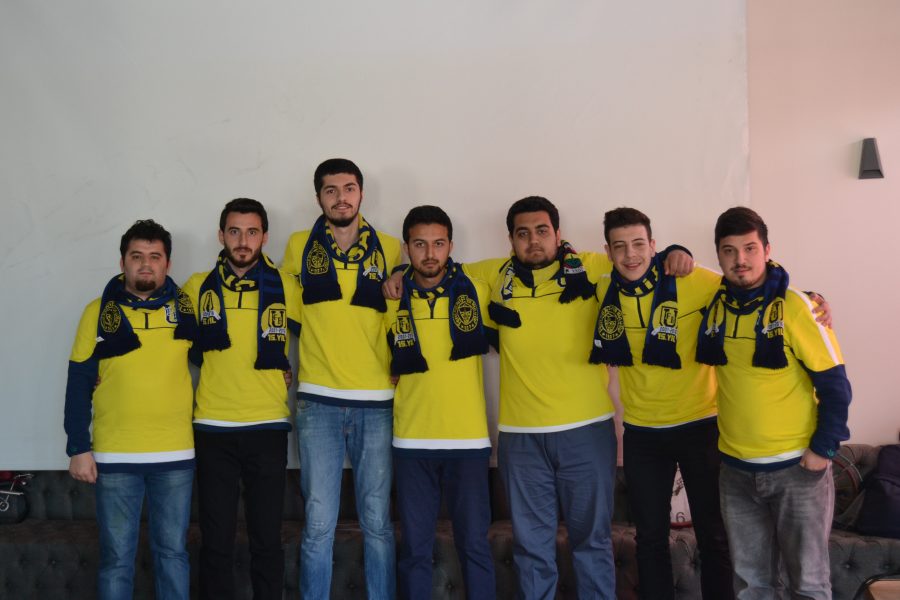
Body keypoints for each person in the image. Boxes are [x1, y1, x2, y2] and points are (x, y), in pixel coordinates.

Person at [465, 196, 693, 599]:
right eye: (523, 234)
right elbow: (436, 271)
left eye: (542, 231)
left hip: (586, 432)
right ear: (511, 240)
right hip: (521, 437)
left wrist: (677, 251)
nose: (533, 241)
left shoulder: (593, 267)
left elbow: (641, 260)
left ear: (558, 233)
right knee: (531, 547)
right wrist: (396, 274)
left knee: (592, 541)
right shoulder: (492, 276)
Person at [696, 206, 851, 600]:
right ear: (719, 257)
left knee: (808, 585)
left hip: (797, 470)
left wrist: (823, 449)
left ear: (767, 250)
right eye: (729, 251)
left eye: (750, 248)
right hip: (736, 472)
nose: (740, 259)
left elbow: (835, 385)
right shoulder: (714, 307)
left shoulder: (798, 307)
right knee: (751, 586)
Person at [593, 207, 733, 600]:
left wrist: (811, 299)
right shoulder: (600, 289)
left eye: (639, 244)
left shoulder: (692, 279)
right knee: (650, 538)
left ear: (653, 245)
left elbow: (749, 284)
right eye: (620, 246)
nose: (630, 254)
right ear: (607, 251)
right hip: (643, 433)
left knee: (713, 535)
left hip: (700, 425)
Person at [281, 158, 401, 600]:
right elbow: (277, 304)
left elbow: (402, 311)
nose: (341, 197)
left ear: (361, 193)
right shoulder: (298, 245)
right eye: (330, 190)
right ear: (319, 198)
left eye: (349, 188)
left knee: (378, 523)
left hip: (377, 400)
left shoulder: (391, 247)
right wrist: (276, 359)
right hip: (317, 401)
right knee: (317, 524)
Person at [64, 219, 196, 600]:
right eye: (136, 256)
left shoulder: (185, 310)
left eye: (155, 256)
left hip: (175, 454)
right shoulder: (97, 312)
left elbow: (216, 360)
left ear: (167, 263)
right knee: (117, 560)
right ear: (122, 262)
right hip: (115, 455)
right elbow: (79, 382)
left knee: (173, 554)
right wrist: (78, 446)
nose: (145, 264)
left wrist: (280, 371)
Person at [182, 198, 300, 600]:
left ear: (265, 237)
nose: (243, 240)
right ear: (221, 235)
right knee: (215, 541)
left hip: (267, 425)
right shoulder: (197, 286)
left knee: (267, 539)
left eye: (252, 232)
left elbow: (320, 337)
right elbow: (177, 347)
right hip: (213, 426)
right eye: (234, 231)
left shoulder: (286, 286)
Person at [386, 205, 497, 600]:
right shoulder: (391, 298)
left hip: (468, 441)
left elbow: (525, 263)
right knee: (415, 551)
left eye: (438, 243)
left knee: (475, 546)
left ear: (451, 246)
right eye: (419, 244)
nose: (430, 253)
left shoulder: (478, 288)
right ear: (406, 248)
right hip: (411, 441)